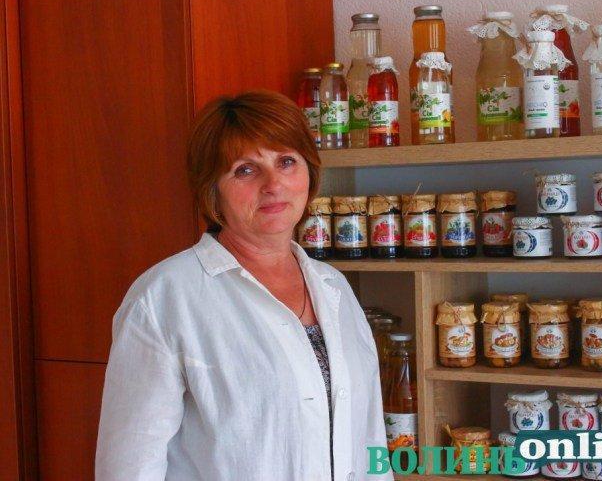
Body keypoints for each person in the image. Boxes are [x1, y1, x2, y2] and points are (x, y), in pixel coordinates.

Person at [95, 90, 392, 481]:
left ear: (309, 172)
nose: (274, 184)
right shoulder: (164, 298)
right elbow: (129, 468)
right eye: (245, 170)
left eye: (287, 161)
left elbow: (368, 437)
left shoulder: (334, 287)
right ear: (212, 189)